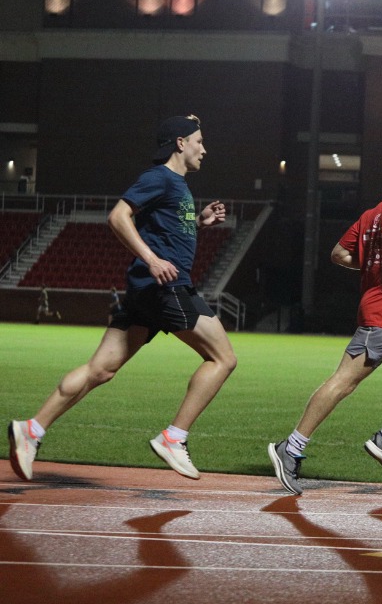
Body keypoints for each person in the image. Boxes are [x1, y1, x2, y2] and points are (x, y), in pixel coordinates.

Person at [8, 115, 235, 482]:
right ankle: (173, 438)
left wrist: (201, 222)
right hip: (167, 288)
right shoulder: (160, 177)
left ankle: (32, 429)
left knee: (100, 370)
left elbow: (167, 230)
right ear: (180, 142)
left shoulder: (175, 184)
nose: (203, 149)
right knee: (223, 359)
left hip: (145, 293)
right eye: (198, 141)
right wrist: (151, 259)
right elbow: (118, 216)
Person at [267, 142, 382, 495]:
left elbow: (338, 254)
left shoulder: (374, 213)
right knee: (342, 384)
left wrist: (371, 266)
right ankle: (290, 448)